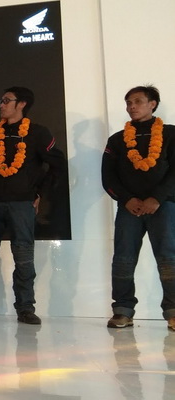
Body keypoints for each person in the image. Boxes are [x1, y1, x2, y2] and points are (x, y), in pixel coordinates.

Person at [0, 86, 66, 325]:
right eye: (1, 100)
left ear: (22, 104)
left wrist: (40, 193)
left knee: (24, 259)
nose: (2, 105)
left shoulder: (38, 132)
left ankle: (25, 309)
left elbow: (57, 164)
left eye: (6, 100)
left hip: (22, 205)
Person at [101, 85, 175, 332]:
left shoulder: (171, 134)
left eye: (138, 101)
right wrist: (127, 199)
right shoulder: (117, 140)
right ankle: (122, 311)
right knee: (123, 258)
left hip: (164, 206)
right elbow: (108, 177)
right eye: (128, 102)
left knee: (168, 258)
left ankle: (174, 312)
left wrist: (157, 198)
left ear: (153, 104)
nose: (131, 106)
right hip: (129, 208)